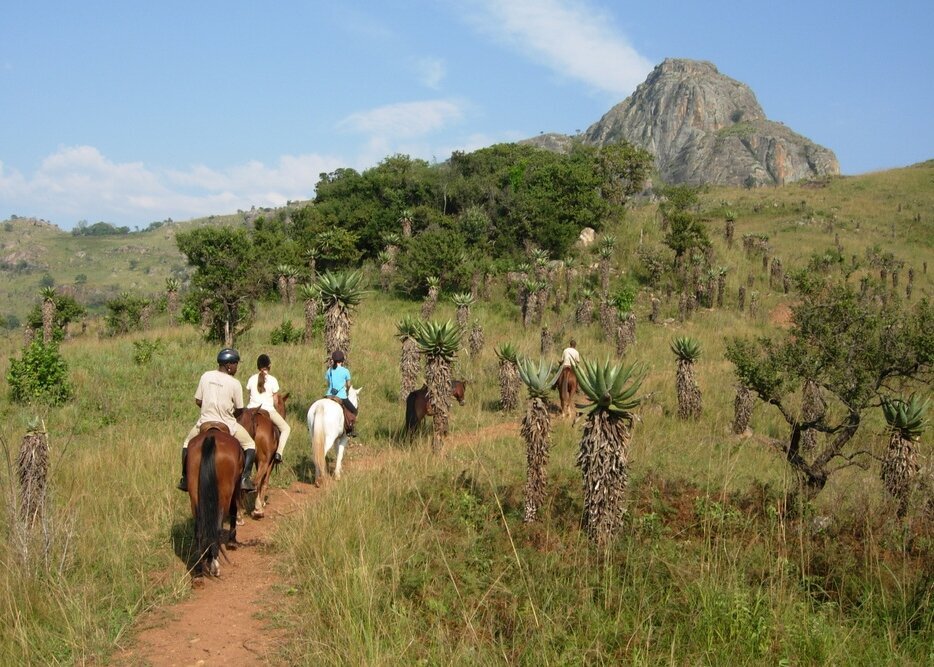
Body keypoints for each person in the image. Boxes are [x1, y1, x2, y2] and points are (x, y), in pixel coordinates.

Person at [177, 348, 257, 492]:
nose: (236, 368)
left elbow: (198, 401)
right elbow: (239, 409)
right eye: (236, 364)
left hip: (205, 422)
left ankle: (185, 478)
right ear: (229, 365)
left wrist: (208, 407)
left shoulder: (205, 376)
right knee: (250, 444)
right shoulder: (234, 383)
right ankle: (245, 479)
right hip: (227, 423)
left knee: (187, 443)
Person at [246, 353, 291, 463]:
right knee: (286, 429)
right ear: (269, 366)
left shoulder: (251, 379)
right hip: (268, 410)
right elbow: (276, 401)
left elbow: (249, 396)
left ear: (258, 366)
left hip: (250, 410)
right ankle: (279, 453)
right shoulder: (273, 380)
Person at [325, 350, 357, 436]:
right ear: (342, 361)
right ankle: (350, 429)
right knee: (353, 410)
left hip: (329, 395)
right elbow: (348, 385)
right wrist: (346, 388)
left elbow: (328, 384)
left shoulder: (329, 371)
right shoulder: (345, 371)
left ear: (333, 360)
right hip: (341, 396)